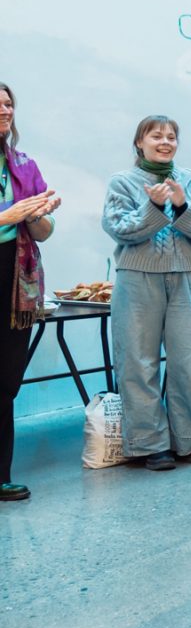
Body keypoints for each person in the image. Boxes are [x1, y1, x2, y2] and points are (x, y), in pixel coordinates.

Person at [102, 115, 191, 470]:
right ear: (140, 142)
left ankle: (189, 440)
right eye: (156, 136)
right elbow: (119, 228)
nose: (165, 141)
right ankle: (148, 443)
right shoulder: (122, 182)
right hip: (138, 279)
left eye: (171, 136)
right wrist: (152, 207)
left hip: (186, 278)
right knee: (138, 362)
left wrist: (183, 206)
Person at [0, 83, 60, 502]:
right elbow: (11, 217)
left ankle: (1, 474)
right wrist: (10, 214)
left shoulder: (22, 163)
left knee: (5, 382)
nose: (5, 109)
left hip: (14, 282)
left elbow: (44, 232)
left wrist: (36, 216)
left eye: (8, 103)